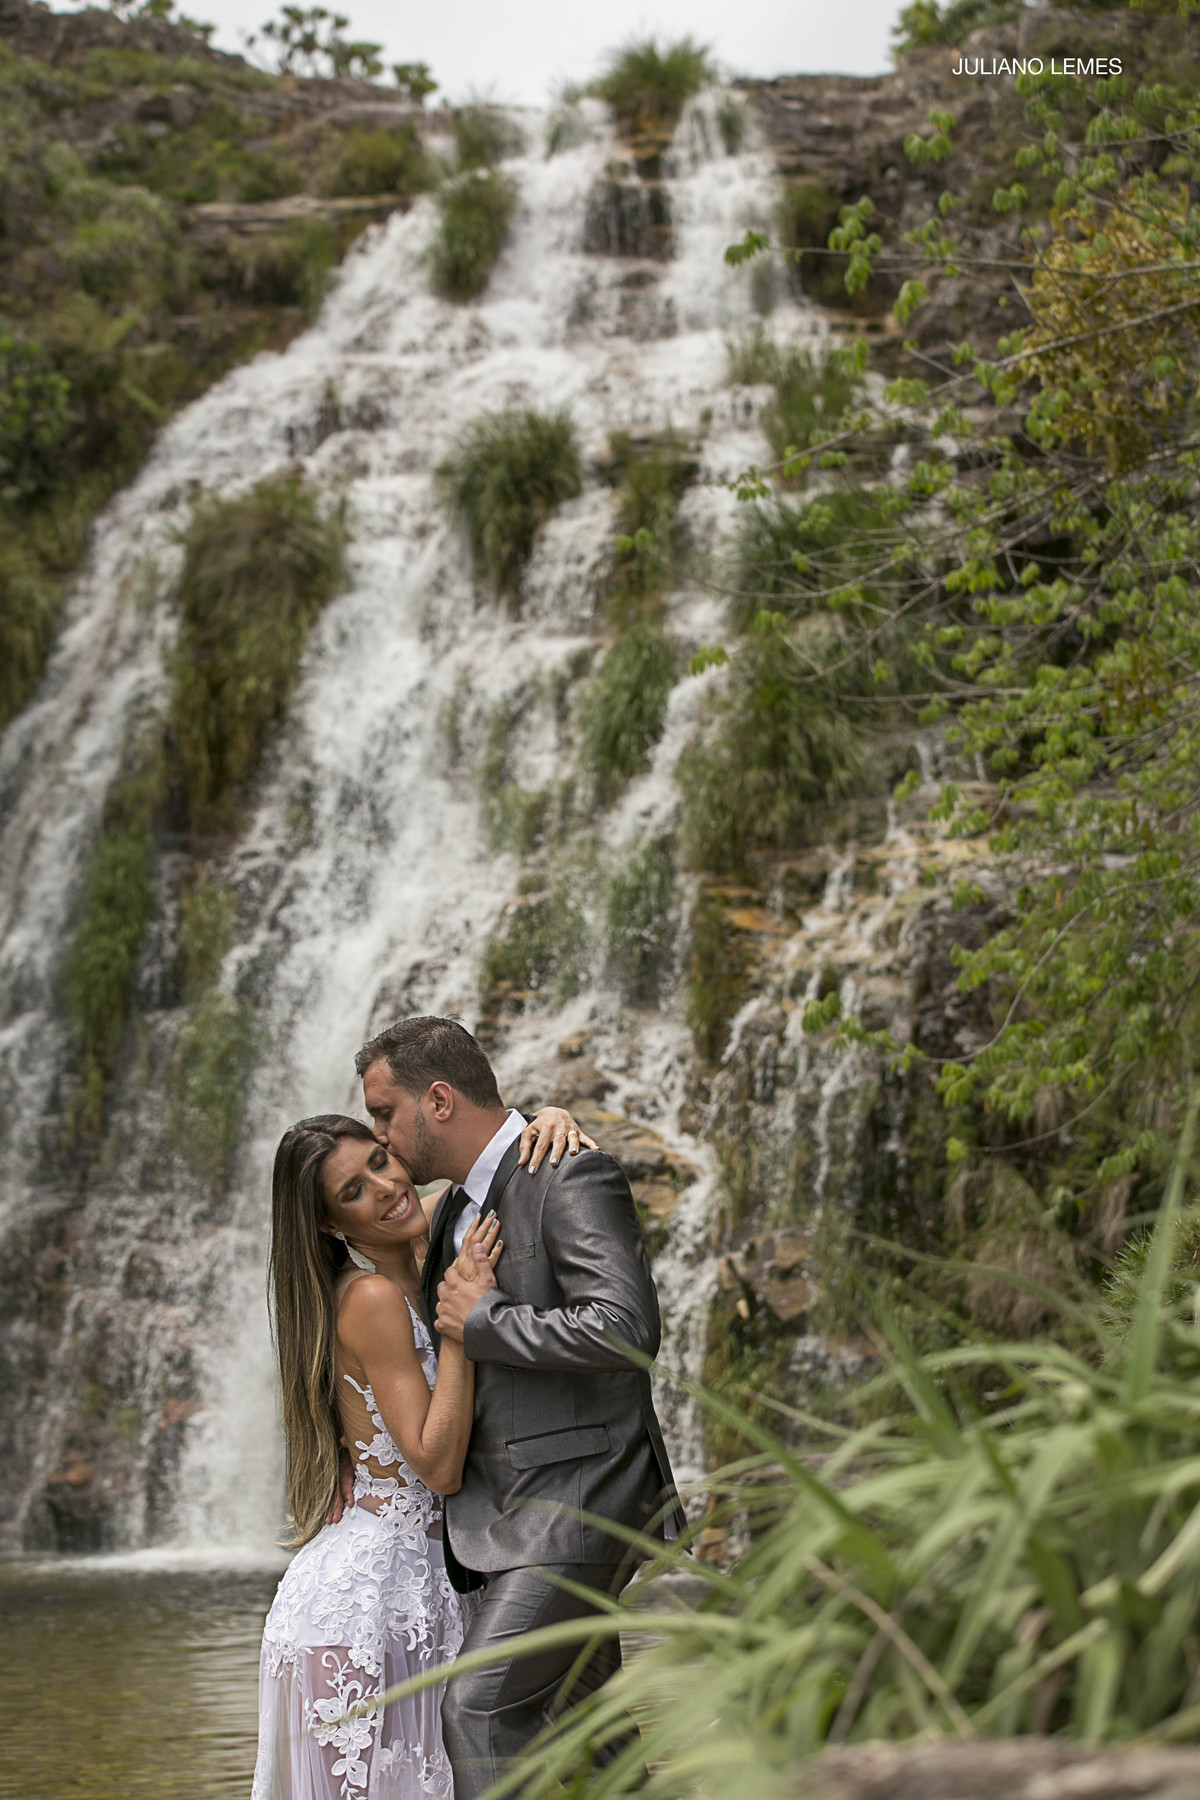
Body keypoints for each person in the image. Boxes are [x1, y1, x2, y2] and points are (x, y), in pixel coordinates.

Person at [357, 1015, 685, 1800]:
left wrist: (485, 1324)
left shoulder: (568, 1172)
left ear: (438, 1100)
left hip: (580, 1501)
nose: (381, 1137)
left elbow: (627, 1327)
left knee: (478, 1710)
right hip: (512, 1515)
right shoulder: (458, 1206)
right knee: (590, 1725)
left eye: (383, 1114)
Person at [252, 1102, 589, 1800]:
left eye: (379, 1161)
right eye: (352, 1192)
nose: (383, 1188)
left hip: (429, 1582)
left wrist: (547, 1115)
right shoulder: (371, 1296)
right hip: (369, 1604)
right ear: (327, 1224)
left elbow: (496, 1157)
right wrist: (463, 1324)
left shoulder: (431, 1228)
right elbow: (434, 1465)